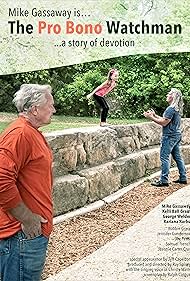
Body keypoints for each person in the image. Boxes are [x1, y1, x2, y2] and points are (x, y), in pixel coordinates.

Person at [0, 84, 56, 281]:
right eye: (50, 105)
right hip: (22, 234)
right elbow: (1, 178)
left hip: (27, 235)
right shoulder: (20, 134)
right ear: (34, 109)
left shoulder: (30, 131)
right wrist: (27, 217)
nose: (54, 110)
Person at [144, 88, 187, 187]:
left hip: (169, 136)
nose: (167, 95)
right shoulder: (176, 109)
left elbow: (164, 123)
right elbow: (165, 119)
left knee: (164, 157)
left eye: (169, 93)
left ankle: (164, 180)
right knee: (178, 157)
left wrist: (151, 117)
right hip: (176, 135)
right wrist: (154, 115)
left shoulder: (170, 109)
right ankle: (183, 177)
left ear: (173, 96)